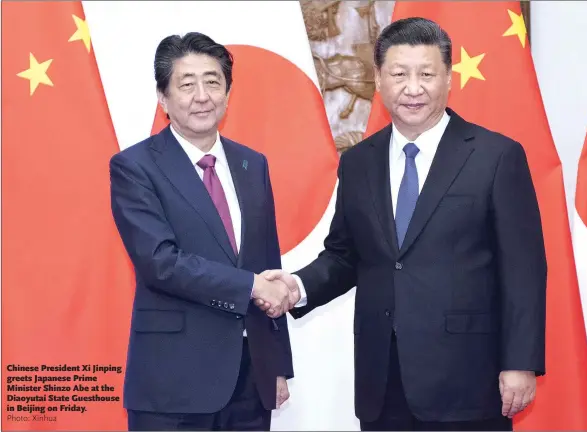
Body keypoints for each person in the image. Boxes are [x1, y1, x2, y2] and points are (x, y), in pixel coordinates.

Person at [260, 17, 547, 431]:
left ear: (449, 79)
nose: (413, 88)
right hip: (383, 379)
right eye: (399, 74)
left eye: (427, 74)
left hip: (468, 381)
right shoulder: (359, 162)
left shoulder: (496, 156)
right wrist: (297, 287)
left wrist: (520, 363)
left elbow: (524, 270)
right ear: (379, 80)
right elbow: (345, 255)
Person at [110, 32, 295, 431]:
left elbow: (267, 263)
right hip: (173, 384)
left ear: (228, 93)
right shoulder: (135, 167)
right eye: (186, 83)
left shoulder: (253, 164)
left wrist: (277, 365)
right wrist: (251, 286)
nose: (202, 95)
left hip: (250, 378)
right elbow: (160, 263)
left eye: (213, 82)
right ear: (163, 98)